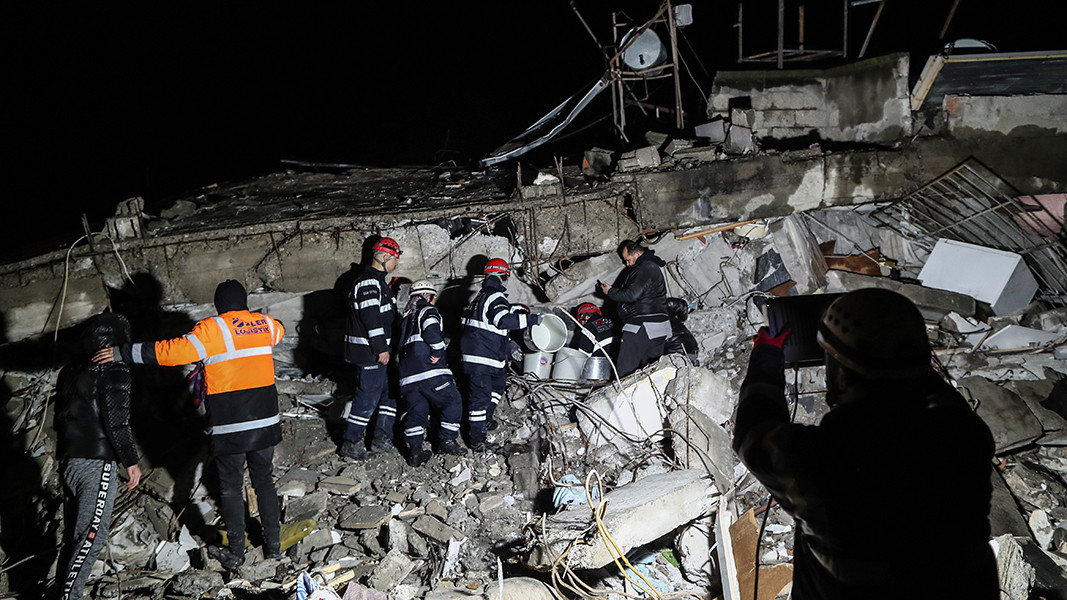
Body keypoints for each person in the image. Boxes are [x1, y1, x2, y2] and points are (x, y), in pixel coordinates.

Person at [732, 288, 997, 599]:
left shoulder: (824, 460)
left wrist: (767, 356)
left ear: (842, 376)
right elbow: (930, 388)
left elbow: (753, 435)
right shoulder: (966, 435)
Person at [96, 280, 285, 570]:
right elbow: (279, 329)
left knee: (231, 489)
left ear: (219, 305)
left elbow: (169, 352)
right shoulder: (265, 325)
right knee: (265, 483)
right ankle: (274, 548)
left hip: (230, 427)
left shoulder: (211, 330)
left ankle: (236, 553)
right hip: (266, 424)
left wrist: (123, 352)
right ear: (244, 302)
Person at [54, 313, 142, 600]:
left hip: (69, 461)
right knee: (92, 537)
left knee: (75, 537)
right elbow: (116, 420)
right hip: (97, 462)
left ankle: (61, 593)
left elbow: (59, 420)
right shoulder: (114, 369)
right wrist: (130, 460)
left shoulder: (69, 370)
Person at [460, 258, 540, 450]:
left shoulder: (479, 298)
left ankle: (485, 419)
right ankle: (477, 440)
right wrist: (532, 319)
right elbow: (502, 321)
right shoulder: (495, 296)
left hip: (485, 357)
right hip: (482, 358)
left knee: (498, 384)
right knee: (480, 398)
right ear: (505, 276)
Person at [340, 236, 401, 460]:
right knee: (368, 396)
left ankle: (381, 438)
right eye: (395, 258)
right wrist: (380, 348)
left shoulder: (378, 282)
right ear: (383, 257)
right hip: (369, 353)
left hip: (379, 351)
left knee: (390, 392)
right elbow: (371, 318)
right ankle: (351, 442)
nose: (396, 263)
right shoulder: (368, 282)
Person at [397, 279, 468, 467]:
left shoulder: (406, 318)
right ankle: (447, 441)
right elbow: (432, 333)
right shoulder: (427, 310)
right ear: (428, 297)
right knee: (452, 400)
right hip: (428, 371)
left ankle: (415, 452)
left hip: (407, 377)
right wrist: (437, 352)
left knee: (416, 410)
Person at [598, 240, 669, 376]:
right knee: (651, 372)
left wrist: (610, 291)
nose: (627, 264)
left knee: (626, 371)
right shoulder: (652, 267)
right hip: (658, 327)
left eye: (628, 259)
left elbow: (631, 294)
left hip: (642, 326)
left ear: (637, 254)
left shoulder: (645, 267)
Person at [663, 297, 698, 364]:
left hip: (675, 352)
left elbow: (681, 305)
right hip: (686, 348)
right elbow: (682, 305)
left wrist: (680, 319)